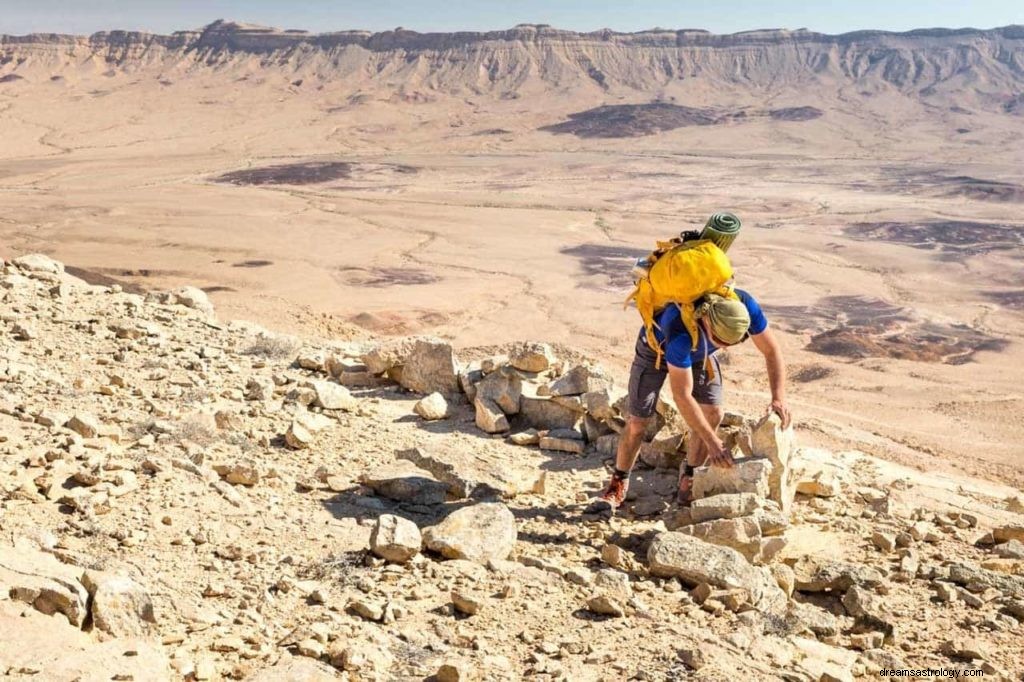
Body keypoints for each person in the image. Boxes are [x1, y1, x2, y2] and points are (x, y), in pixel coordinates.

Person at [595, 290, 790, 511]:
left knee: (714, 413)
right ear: (707, 322)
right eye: (720, 340)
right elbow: (682, 396)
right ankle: (618, 482)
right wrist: (712, 442)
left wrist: (778, 398)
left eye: (732, 343)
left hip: (701, 353)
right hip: (655, 351)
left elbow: (771, 350)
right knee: (638, 422)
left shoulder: (743, 306)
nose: (724, 347)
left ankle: (690, 480)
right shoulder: (680, 333)